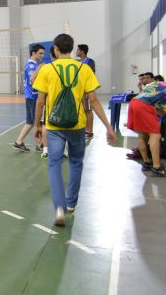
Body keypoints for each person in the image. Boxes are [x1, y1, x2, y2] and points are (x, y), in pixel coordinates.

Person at [33, 34, 116, 226]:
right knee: (76, 163)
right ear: (71, 48)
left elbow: (40, 102)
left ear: (55, 49)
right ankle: (71, 204)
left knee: (54, 165)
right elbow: (93, 100)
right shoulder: (84, 68)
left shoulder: (47, 69)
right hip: (77, 125)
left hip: (54, 126)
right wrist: (108, 126)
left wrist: (37, 125)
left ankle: (59, 208)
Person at [127, 79, 166, 177]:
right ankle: (157, 167)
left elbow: (157, 107)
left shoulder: (157, 84)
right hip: (145, 105)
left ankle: (147, 162)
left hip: (134, 102)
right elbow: (160, 110)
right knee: (155, 136)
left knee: (142, 135)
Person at [13, 44, 45, 152]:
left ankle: (19, 142)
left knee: (30, 122)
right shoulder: (32, 67)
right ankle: (39, 144)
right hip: (33, 97)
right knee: (36, 122)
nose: (42, 55)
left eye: (43, 53)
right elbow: (33, 82)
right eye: (40, 53)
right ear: (33, 53)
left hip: (30, 97)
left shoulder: (33, 65)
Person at [76, 44, 96, 138]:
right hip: (78, 90)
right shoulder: (77, 62)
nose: (76, 51)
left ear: (82, 52)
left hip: (86, 90)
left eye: (78, 50)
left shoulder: (90, 62)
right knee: (82, 110)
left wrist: (89, 90)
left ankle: (90, 131)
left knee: (88, 110)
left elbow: (92, 76)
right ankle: (84, 129)